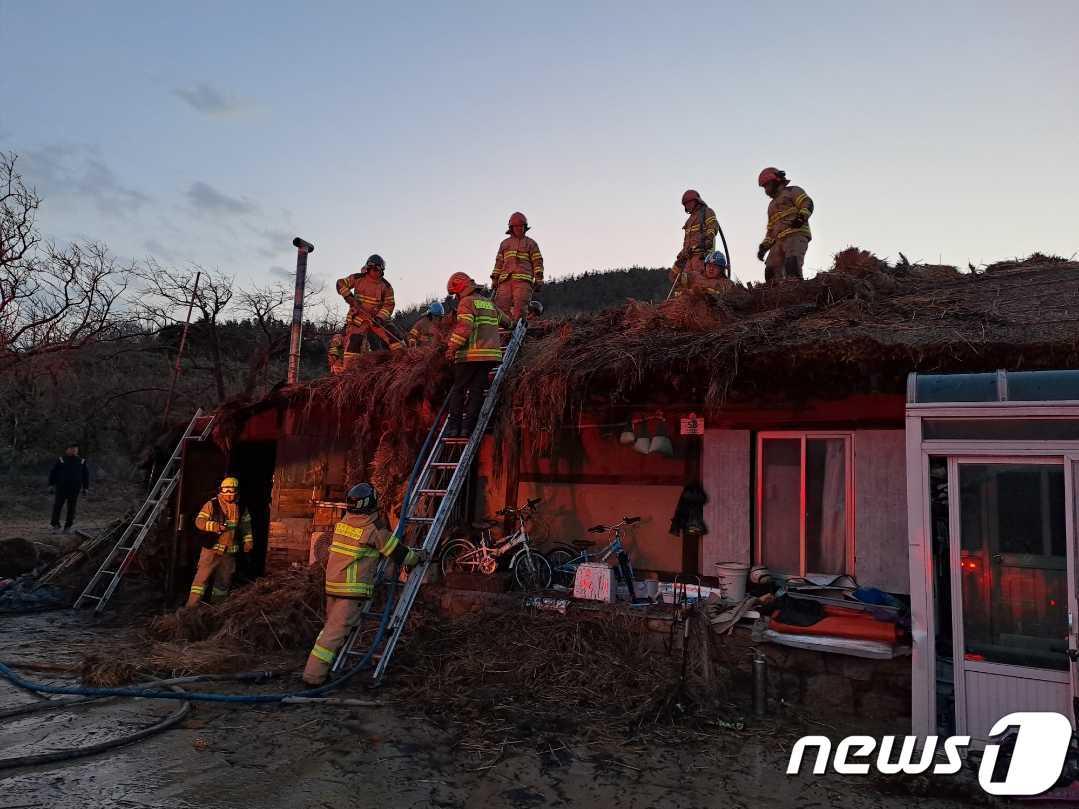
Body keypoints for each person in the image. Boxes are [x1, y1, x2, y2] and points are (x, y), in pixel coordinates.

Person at [302, 482, 425, 686]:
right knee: (333, 635)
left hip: (333, 585)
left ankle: (322, 671)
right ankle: (313, 678)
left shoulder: (344, 523)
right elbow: (399, 553)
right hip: (351, 590)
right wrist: (418, 558)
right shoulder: (373, 530)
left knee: (329, 630)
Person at [443, 272, 511, 439]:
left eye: (456, 293)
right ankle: (468, 428)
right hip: (489, 356)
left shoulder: (466, 303)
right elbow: (508, 322)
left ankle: (454, 427)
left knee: (458, 390)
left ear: (461, 289)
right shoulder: (489, 303)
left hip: (470, 355)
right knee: (476, 391)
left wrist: (451, 348)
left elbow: (464, 328)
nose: (456, 297)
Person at [187, 477, 254, 607]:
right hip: (211, 551)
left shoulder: (240, 507)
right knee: (200, 581)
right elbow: (199, 522)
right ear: (221, 490)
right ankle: (190, 609)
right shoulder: (212, 504)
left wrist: (248, 541)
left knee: (223, 582)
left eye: (231, 490)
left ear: (237, 491)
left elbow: (246, 525)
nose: (228, 493)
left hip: (228, 553)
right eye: (225, 490)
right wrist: (215, 526)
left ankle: (217, 608)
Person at [756, 167, 813, 281]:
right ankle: (775, 294)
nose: (766, 190)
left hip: (795, 234)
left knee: (792, 264)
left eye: (767, 185)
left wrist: (801, 218)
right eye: (764, 187)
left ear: (776, 180)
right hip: (778, 240)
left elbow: (807, 203)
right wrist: (764, 246)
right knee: (770, 270)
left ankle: (795, 289)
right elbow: (771, 230)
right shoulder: (771, 206)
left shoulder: (792, 191)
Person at [335, 254, 396, 361]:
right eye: (372, 269)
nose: (375, 272)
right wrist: (350, 298)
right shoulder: (358, 278)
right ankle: (350, 369)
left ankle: (402, 360)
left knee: (394, 337)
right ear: (368, 268)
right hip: (359, 319)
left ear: (381, 270)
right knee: (354, 342)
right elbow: (340, 283)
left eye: (377, 270)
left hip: (377, 320)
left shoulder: (386, 286)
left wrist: (380, 318)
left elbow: (389, 305)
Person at [491, 212, 543, 321]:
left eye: (522, 226)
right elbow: (499, 262)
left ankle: (518, 329)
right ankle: (503, 333)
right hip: (505, 281)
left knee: (520, 307)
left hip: (523, 281)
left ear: (525, 227)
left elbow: (537, 261)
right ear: (511, 228)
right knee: (501, 306)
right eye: (517, 226)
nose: (520, 229)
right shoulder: (504, 244)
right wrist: (495, 279)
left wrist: (538, 279)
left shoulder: (531, 243)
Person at [672, 189, 719, 284]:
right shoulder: (689, 221)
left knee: (698, 281)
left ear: (696, 201)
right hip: (689, 257)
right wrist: (682, 253)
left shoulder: (707, 212)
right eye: (685, 204)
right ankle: (683, 298)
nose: (687, 206)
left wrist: (708, 240)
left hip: (702, 256)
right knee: (682, 280)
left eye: (688, 203)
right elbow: (687, 241)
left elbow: (713, 226)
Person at [48, 443, 89, 533]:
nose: (73, 451)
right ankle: (55, 525)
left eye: (75, 449)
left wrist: (85, 488)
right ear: (67, 450)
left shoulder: (81, 461)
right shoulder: (61, 460)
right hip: (61, 488)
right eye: (71, 449)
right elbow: (53, 472)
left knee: (71, 508)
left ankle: (68, 527)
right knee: (57, 506)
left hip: (74, 488)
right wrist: (51, 485)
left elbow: (85, 475)